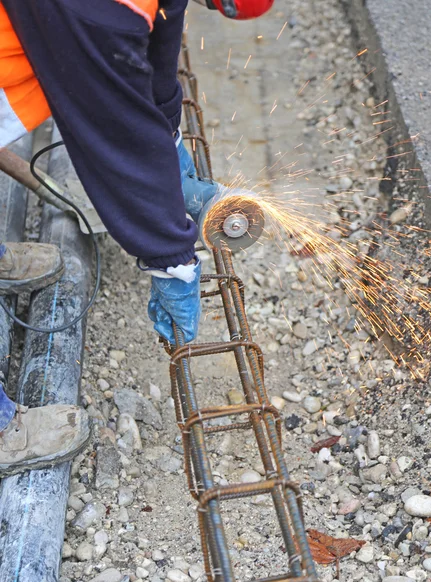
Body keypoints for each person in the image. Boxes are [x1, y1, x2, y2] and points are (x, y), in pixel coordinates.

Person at [0, 0, 273, 477]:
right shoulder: (102, 12)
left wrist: (167, 141)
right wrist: (170, 256)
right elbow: (115, 130)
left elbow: (153, 51)